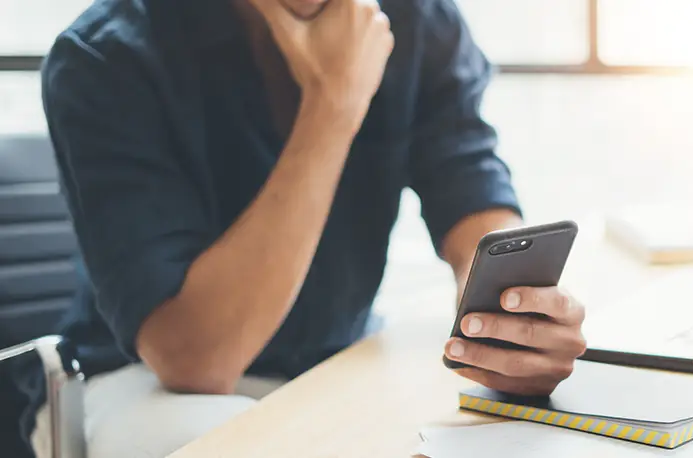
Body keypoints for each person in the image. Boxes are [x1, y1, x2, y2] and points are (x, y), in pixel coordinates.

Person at [16, 0, 588, 456]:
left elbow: (467, 180)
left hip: (334, 354)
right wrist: (333, 102)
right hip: (148, 378)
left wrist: (510, 319)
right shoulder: (103, 55)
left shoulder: (415, 18)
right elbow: (196, 359)